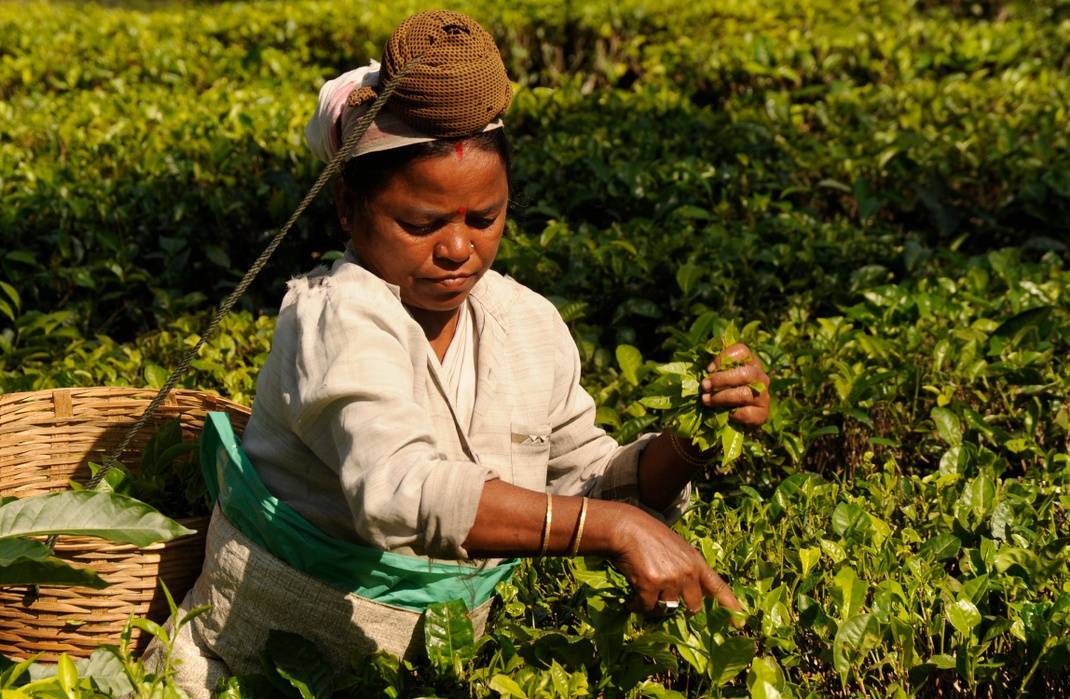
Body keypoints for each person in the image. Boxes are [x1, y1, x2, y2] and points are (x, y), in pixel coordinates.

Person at [144, 10, 772, 696]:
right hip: (246, 677)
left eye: (484, 218)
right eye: (421, 223)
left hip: (428, 677)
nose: (456, 249)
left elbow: (588, 480)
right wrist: (611, 529)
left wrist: (692, 437)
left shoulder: (526, 324)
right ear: (349, 209)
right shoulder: (334, 316)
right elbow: (401, 488)